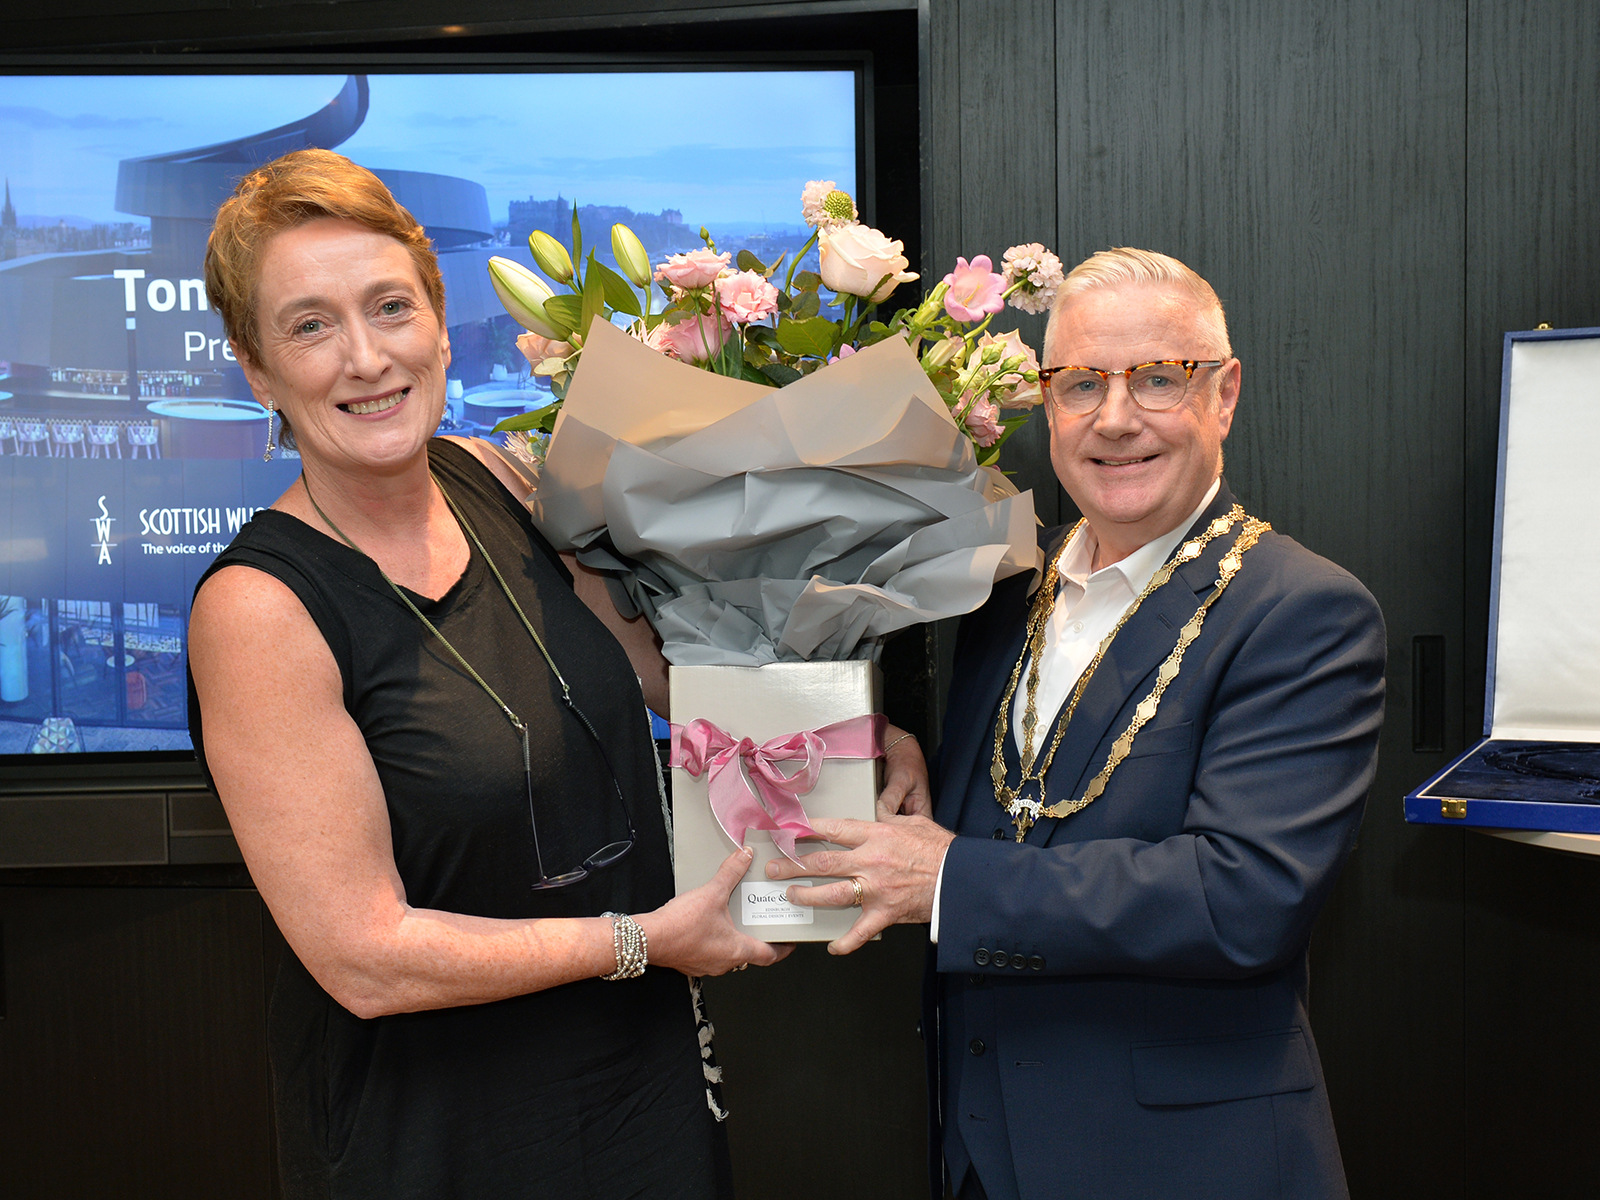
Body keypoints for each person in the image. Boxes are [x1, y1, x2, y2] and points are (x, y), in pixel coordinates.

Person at [186, 148, 825, 1199]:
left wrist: (846, 734)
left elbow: (663, 679)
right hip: (441, 1137)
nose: (365, 357)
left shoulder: (501, 478)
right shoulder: (259, 611)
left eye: (390, 307)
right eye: (310, 326)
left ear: (440, 325)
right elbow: (366, 957)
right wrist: (639, 941)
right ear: (258, 372)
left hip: (638, 1089)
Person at [768, 248, 1386, 1200]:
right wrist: (893, 750)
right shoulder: (1003, 586)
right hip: (978, 1150)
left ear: (1224, 395)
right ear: (1048, 403)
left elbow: (1243, 899)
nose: (1116, 417)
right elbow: (1010, 807)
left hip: (1184, 1166)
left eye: (1159, 379)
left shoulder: (1302, 610)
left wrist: (949, 881)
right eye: (1082, 383)